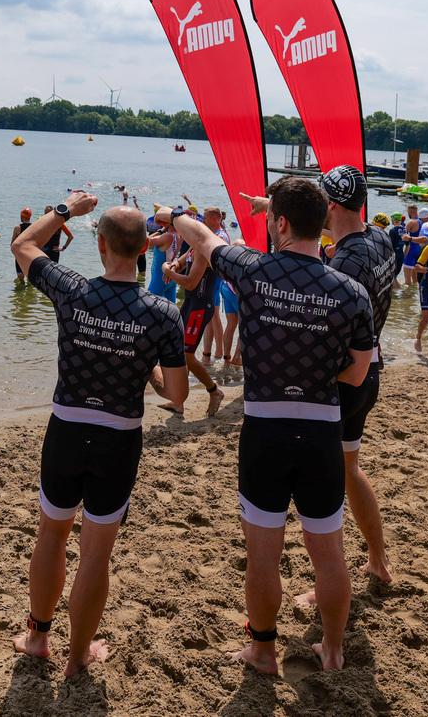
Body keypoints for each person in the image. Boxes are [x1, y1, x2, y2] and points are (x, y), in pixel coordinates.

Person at [157, 176, 374, 674]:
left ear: (279, 223)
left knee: (263, 554)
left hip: (266, 430)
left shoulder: (253, 269)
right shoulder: (352, 292)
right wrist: (315, 371)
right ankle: (333, 650)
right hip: (322, 431)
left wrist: (173, 216)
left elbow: (203, 239)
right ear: (322, 223)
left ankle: (262, 649)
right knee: (329, 552)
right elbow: (357, 372)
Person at [11, 192, 188, 678]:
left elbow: (23, 245)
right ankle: (78, 656)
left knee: (51, 535)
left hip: (66, 430)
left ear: (102, 245)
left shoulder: (72, 290)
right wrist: (144, 365)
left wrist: (66, 210)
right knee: (95, 552)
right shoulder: (162, 313)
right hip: (118, 439)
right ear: (145, 249)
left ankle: (38, 637)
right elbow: (176, 394)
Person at [319, 165, 397, 583]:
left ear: (331, 205)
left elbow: (330, 334)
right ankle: (377, 560)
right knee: (350, 470)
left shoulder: (345, 265)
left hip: (344, 380)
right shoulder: (380, 238)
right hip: (371, 373)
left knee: (324, 486)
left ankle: (329, 587)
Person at [158, 218, 225, 418]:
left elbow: (190, 283)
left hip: (200, 307)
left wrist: (167, 271)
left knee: (187, 355)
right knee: (180, 351)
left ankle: (214, 391)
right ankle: (178, 401)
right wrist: (173, 266)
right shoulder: (194, 248)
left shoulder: (204, 251)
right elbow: (180, 263)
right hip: (190, 304)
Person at [200, 207, 231, 361]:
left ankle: (219, 352)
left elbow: (213, 260)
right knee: (210, 317)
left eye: (205, 217)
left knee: (214, 316)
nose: (203, 220)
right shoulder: (214, 234)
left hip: (215, 279)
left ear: (214, 219)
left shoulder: (221, 236)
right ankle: (207, 353)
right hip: (212, 279)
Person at [11, 207, 33, 281]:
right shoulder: (34, 227)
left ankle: (20, 286)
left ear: (21, 216)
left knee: (20, 276)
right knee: (30, 276)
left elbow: (12, 243)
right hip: (30, 254)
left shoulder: (17, 228)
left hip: (20, 254)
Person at [388, 213, 406, 282]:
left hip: (394, 255)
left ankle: (396, 288)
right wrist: (404, 255)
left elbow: (390, 245)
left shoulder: (392, 230)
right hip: (401, 254)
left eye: (391, 219)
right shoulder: (405, 230)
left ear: (394, 220)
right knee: (396, 274)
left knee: (392, 276)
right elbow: (408, 245)